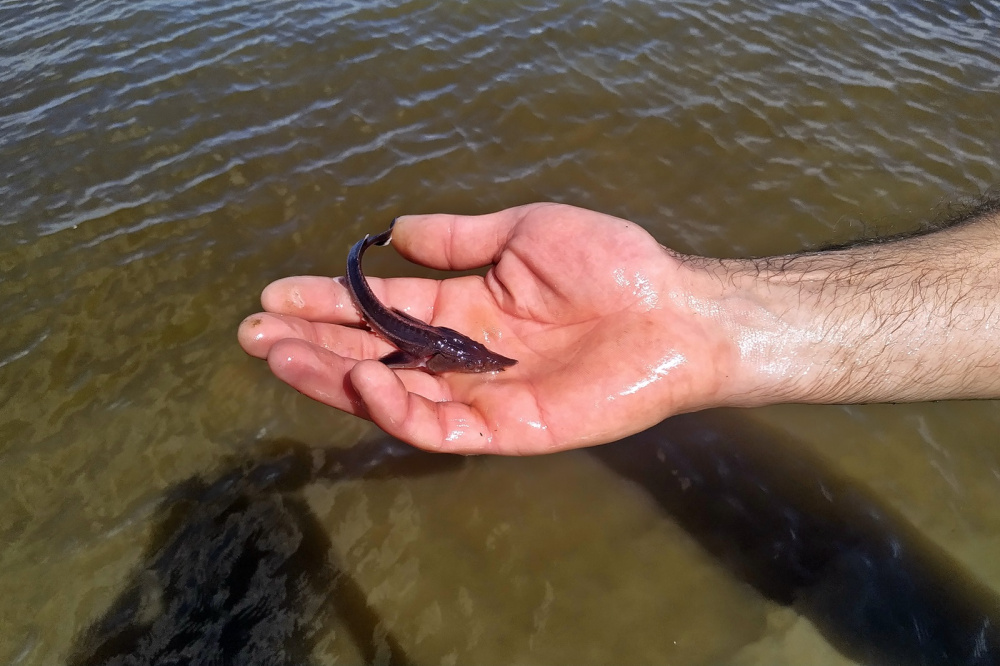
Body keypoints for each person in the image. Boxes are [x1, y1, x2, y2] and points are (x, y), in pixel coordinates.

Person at [238, 200, 1000, 456]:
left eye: (478, 357)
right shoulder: (426, 351)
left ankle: (362, 255)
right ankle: (357, 258)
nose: (483, 360)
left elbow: (440, 358)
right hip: (399, 324)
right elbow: (406, 356)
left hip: (415, 337)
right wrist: (408, 364)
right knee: (371, 311)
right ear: (445, 357)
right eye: (474, 358)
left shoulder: (454, 353)